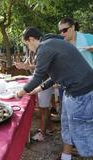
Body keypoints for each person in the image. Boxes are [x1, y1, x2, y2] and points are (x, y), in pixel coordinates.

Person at [16, 27, 93, 159]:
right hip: (71, 92)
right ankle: (66, 156)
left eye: (27, 44)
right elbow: (55, 76)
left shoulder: (44, 48)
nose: (28, 48)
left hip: (81, 93)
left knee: (82, 132)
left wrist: (19, 94)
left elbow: (37, 76)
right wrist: (37, 89)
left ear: (32, 39)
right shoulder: (52, 43)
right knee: (67, 127)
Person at [15, 52, 54, 141]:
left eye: (27, 43)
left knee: (43, 108)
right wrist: (23, 65)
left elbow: (43, 67)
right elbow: (30, 64)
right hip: (39, 82)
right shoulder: (32, 51)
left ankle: (42, 134)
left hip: (45, 82)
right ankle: (50, 128)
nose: (27, 45)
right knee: (43, 107)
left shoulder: (43, 51)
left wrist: (28, 67)